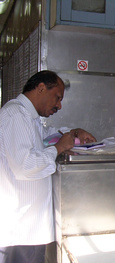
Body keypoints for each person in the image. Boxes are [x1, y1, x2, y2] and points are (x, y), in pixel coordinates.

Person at [0, 70, 96, 263]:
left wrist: (75, 132)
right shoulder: (14, 114)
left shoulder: (29, 117)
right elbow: (24, 165)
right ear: (41, 88)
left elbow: (48, 135)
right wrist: (59, 148)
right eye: (57, 98)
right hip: (22, 227)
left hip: (30, 226)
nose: (59, 105)